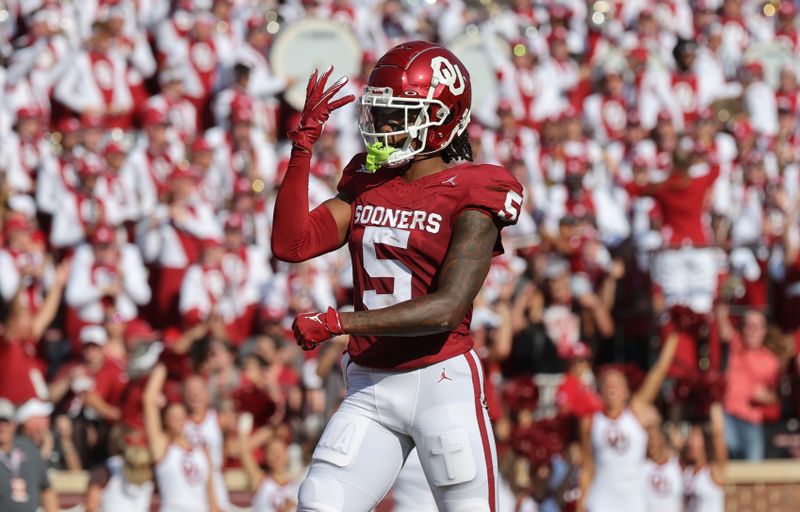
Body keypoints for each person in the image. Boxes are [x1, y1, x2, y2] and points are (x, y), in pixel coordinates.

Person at [272, 42, 524, 511]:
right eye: (380, 114)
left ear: (444, 118)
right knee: (319, 502)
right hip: (370, 381)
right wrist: (302, 147)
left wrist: (340, 323)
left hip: (440, 378)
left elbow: (448, 307)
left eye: (399, 115)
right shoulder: (368, 181)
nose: (383, 129)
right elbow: (293, 243)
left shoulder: (477, 186)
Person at [577, 331, 679, 512]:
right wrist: (581, 503)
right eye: (607, 384)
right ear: (599, 390)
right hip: (601, 497)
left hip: (634, 498)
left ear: (627, 391)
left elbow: (658, 373)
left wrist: (674, 336)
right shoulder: (590, 421)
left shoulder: (635, 413)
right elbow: (587, 466)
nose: (612, 387)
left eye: (617, 384)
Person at [143, 363, 218, 512]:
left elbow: (210, 494)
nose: (178, 421)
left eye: (181, 416)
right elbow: (148, 401)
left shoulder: (202, 450)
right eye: (173, 417)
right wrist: (163, 366)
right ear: (166, 421)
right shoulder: (162, 446)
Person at [0, 398, 58, 512]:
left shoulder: (29, 450)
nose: (1, 427)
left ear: (13, 424)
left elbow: (46, 489)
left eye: (4, 422)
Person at [682, 403, 726, 512]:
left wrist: (713, 400)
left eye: (694, 435)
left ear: (705, 441)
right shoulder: (686, 471)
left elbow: (718, 435)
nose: (689, 440)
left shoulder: (714, 470)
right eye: (689, 435)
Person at [643, 406, 683, 512]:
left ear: (662, 439)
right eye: (648, 439)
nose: (651, 442)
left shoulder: (676, 463)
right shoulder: (641, 465)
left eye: (654, 438)